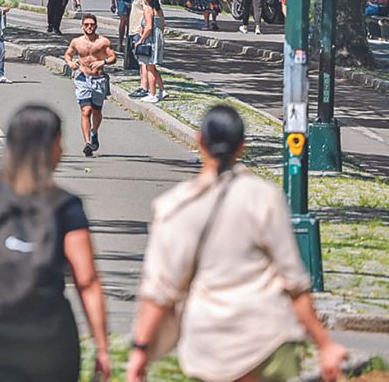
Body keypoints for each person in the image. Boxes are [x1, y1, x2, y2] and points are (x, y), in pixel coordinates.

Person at [126, 106, 348, 382]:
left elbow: (159, 291)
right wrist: (324, 345)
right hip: (268, 339)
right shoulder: (264, 197)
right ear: (242, 146)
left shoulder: (174, 207)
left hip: (209, 345)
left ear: (199, 141)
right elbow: (294, 282)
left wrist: (140, 351)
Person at [0, 104, 111, 382]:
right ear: (52, 147)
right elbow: (87, 280)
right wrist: (102, 347)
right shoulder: (66, 207)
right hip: (49, 338)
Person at [64, 13, 116, 157]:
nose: (89, 27)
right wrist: (70, 63)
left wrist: (103, 62)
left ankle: (94, 132)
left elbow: (112, 57)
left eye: (92, 24)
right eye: (86, 24)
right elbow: (68, 54)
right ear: (82, 26)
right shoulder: (76, 42)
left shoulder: (103, 42)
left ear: (96, 26)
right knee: (86, 111)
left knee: (96, 111)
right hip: (82, 79)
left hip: (99, 80)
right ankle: (88, 143)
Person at [132, 0, 166, 103]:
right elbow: (162, 25)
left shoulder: (148, 9)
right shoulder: (159, 10)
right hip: (158, 39)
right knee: (153, 66)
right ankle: (162, 90)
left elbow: (149, 27)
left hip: (150, 40)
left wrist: (141, 40)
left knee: (149, 67)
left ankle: (152, 93)